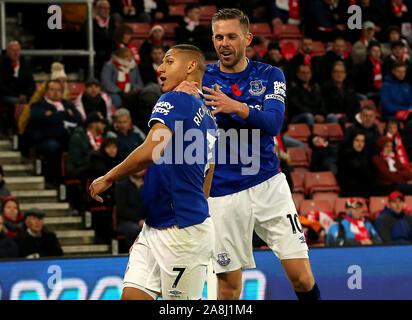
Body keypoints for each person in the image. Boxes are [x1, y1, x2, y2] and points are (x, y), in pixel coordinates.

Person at [179, 8, 320, 300]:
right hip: (221, 195)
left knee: (303, 279)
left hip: (268, 185)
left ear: (248, 38)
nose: (224, 43)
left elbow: (273, 123)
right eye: (218, 37)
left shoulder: (270, 74)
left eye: (232, 36)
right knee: (229, 289)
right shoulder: (199, 78)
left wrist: (236, 107)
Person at [89, 44, 217, 300]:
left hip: (182, 233)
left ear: (191, 67)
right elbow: (207, 181)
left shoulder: (174, 99)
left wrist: (108, 177)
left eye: (169, 62)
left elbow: (151, 151)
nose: (160, 68)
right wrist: (154, 227)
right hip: (160, 227)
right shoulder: (210, 118)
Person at [29, 80, 82, 185]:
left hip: (68, 138)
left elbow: (78, 119)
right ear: (46, 92)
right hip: (47, 139)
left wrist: (54, 115)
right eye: (52, 89)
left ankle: (76, 181)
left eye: (58, 90)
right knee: (53, 147)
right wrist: (66, 114)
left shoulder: (68, 103)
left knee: (81, 144)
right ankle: (53, 180)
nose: (56, 92)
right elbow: (41, 119)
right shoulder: (38, 105)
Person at [0, 40, 35, 137]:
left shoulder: (25, 65)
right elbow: (1, 85)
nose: (16, 53)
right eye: (13, 50)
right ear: (7, 52)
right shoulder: (2, 64)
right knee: (15, 102)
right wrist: (17, 95)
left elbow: (31, 84)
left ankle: (26, 131)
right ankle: (10, 128)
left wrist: (26, 94)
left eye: (18, 50)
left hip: (22, 96)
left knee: (35, 103)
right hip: (5, 96)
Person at [337, 132, 377, 197]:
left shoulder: (365, 155)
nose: (360, 144)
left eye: (362, 141)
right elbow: (361, 171)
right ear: (351, 141)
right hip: (350, 190)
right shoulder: (346, 155)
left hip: (364, 188)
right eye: (357, 140)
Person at [115, 170, 147, 249]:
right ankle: (132, 256)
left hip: (146, 221)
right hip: (126, 222)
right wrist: (139, 220)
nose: (139, 169)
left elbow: (153, 205)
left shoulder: (149, 185)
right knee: (137, 230)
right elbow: (122, 209)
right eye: (137, 166)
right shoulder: (122, 185)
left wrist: (147, 220)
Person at [286, 64, 325, 128]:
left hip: (314, 115)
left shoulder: (315, 88)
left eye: (308, 73)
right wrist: (314, 115)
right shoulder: (292, 88)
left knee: (331, 117)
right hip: (297, 117)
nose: (306, 75)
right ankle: (313, 137)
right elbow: (298, 107)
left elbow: (321, 103)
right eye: (303, 73)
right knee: (309, 116)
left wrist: (321, 115)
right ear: (298, 74)